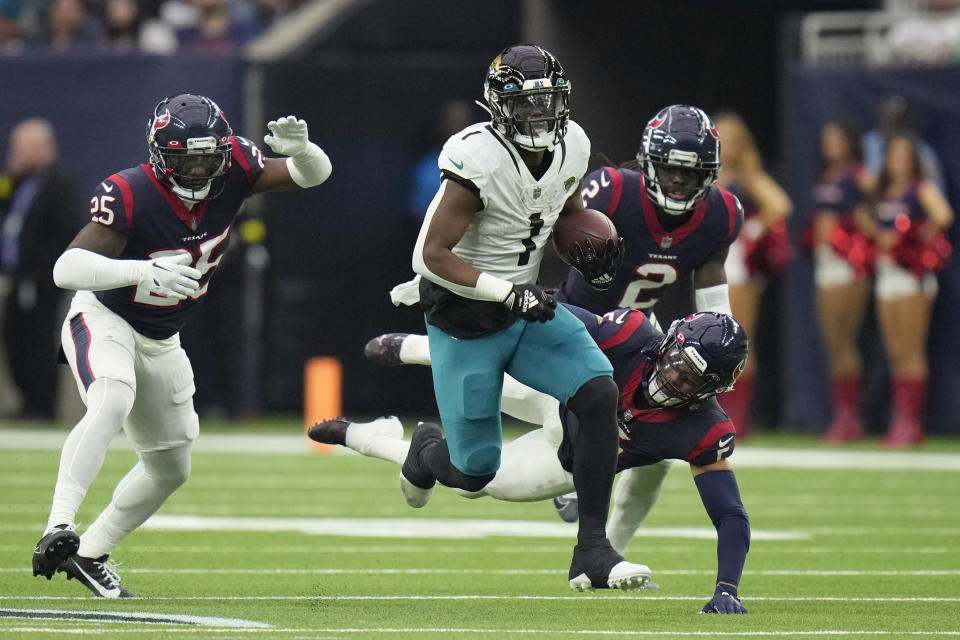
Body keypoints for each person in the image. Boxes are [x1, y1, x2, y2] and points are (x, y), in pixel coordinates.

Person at [370, 104, 745, 548]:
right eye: (671, 169)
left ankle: (609, 550)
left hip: (643, 342)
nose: (680, 181)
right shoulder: (612, 191)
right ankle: (419, 349)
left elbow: (713, 297)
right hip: (583, 325)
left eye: (691, 173)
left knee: (656, 457)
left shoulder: (722, 214)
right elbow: (536, 229)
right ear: (648, 161)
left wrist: (723, 343)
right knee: (497, 393)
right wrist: (450, 280)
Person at [31, 93, 332, 598]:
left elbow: (314, 174)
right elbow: (66, 269)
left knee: (171, 467)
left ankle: (90, 552)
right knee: (112, 396)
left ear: (223, 153)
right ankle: (58, 526)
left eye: (205, 160)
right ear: (157, 156)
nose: (196, 171)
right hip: (106, 315)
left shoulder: (236, 165)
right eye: (184, 160)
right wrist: (141, 268)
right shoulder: (131, 191)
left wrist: (303, 152)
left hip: (163, 336)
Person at [383, 43, 650, 591]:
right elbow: (429, 256)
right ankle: (424, 453)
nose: (539, 115)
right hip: (464, 319)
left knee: (599, 391)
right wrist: (504, 291)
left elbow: (562, 212)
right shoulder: (476, 157)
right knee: (474, 471)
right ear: (498, 107)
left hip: (525, 307)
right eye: (525, 104)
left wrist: (590, 248)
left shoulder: (573, 144)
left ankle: (593, 550)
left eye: (548, 102)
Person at [314, 307, 752, 613]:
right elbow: (556, 318)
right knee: (484, 366)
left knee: (475, 480)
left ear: (711, 390)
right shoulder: (632, 337)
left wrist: (727, 588)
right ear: (668, 341)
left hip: (568, 458)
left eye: (689, 376)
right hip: (557, 392)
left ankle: (369, 439)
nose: (672, 375)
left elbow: (729, 513)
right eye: (675, 360)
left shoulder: (702, 429)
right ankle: (417, 347)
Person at [855, 134, 953, 447]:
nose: (897, 162)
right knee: (895, 350)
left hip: (912, 276)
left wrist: (915, 241)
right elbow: (863, 217)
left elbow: (943, 216)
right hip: (887, 274)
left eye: (903, 156)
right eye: (892, 156)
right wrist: (878, 235)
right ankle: (901, 420)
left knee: (912, 349)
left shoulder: (919, 189)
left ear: (913, 161)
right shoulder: (884, 191)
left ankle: (911, 424)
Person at [712, 112, 793, 438]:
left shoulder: (748, 176)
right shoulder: (709, 174)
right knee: (712, 337)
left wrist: (753, 230)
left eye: (734, 139)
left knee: (738, 337)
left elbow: (781, 205)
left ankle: (737, 416)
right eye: (723, 138)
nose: (728, 145)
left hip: (740, 264)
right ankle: (718, 409)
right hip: (713, 261)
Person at [1, 118, 85, 420]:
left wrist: (44, 271)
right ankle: (28, 400)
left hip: (41, 278)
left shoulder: (60, 181)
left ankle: (41, 405)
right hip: (19, 276)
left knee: (38, 339)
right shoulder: (24, 180)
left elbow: (65, 230)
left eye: (20, 148)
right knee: (15, 337)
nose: (15, 154)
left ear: (39, 147)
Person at [809, 121, 876, 443]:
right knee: (832, 341)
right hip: (825, 262)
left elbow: (883, 201)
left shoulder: (859, 173)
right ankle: (843, 415)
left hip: (849, 263)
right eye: (827, 139)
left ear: (850, 141)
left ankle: (850, 418)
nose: (831, 144)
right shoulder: (827, 176)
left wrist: (862, 229)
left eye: (837, 138)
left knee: (844, 339)